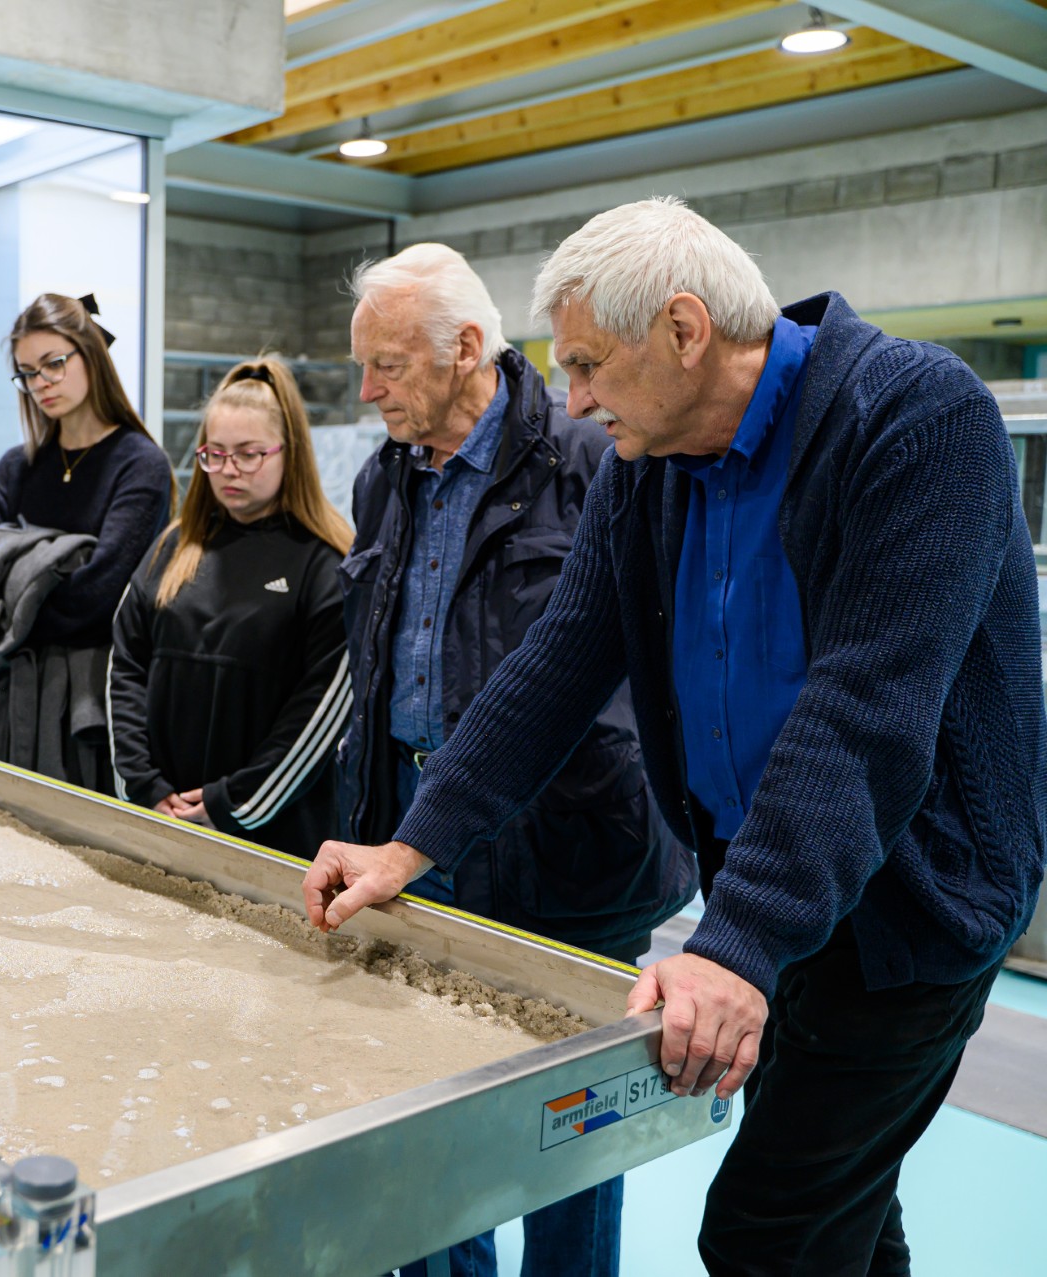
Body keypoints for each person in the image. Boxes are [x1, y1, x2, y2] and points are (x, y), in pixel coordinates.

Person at [305, 199, 1045, 1276]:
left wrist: (734, 944)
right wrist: (413, 842)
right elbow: (557, 664)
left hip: (910, 903)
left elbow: (864, 709)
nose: (574, 398)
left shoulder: (917, 419)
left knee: (766, 1230)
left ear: (685, 330)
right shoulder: (643, 468)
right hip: (774, 883)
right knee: (844, 1211)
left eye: (589, 365)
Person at [327, 243, 694, 1277]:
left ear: (465, 349)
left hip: (571, 847)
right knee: (432, 1123)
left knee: (568, 1134)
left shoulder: (595, 458)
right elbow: (370, 666)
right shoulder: (384, 475)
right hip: (419, 842)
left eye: (388, 365)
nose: (368, 392)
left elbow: (640, 657)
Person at [106, 357, 353, 859]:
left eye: (248, 454)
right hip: (164, 819)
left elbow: (321, 712)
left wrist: (233, 802)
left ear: (289, 452)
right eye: (214, 454)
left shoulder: (325, 562)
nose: (228, 470)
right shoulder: (173, 547)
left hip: (274, 835)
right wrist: (144, 786)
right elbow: (125, 668)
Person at [0, 293, 173, 792]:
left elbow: (97, 597)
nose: (40, 384)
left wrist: (14, 574)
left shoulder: (140, 464)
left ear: (90, 355)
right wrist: (53, 566)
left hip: (93, 697)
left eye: (53, 364)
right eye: (27, 373)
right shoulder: (17, 465)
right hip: (7, 691)